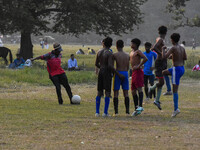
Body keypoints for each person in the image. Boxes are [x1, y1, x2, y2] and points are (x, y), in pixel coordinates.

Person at [95, 37, 124, 117]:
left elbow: (96, 64)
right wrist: (118, 74)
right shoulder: (109, 53)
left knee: (99, 91)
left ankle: (97, 112)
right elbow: (110, 66)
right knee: (107, 92)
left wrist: (101, 67)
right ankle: (105, 112)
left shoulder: (99, 52)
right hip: (107, 73)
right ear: (111, 45)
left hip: (101, 71)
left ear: (103, 43)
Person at [162, 33, 187, 117]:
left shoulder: (173, 47)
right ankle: (168, 90)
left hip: (176, 69)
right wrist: (174, 56)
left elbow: (164, 56)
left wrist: (163, 49)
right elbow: (185, 57)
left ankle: (176, 109)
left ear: (172, 40)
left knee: (175, 90)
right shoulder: (182, 47)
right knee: (164, 72)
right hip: (181, 68)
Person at [149, 26, 168, 110]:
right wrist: (161, 53)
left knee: (161, 82)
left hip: (162, 62)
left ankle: (157, 100)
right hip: (159, 62)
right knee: (161, 82)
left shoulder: (159, 39)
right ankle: (151, 89)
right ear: (165, 32)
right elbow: (153, 48)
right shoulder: (160, 39)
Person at [130, 38, 148, 116]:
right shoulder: (131, 52)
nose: (131, 45)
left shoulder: (138, 52)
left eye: (132, 43)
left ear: (136, 44)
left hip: (138, 72)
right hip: (133, 72)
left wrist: (139, 65)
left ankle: (140, 106)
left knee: (139, 88)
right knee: (133, 91)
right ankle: (136, 108)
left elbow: (145, 58)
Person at [113, 40, 130, 115]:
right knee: (126, 93)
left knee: (116, 93)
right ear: (123, 46)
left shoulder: (115, 55)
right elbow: (128, 67)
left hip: (118, 73)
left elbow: (113, 66)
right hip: (125, 73)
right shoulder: (127, 55)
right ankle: (127, 111)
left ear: (116, 46)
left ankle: (116, 112)